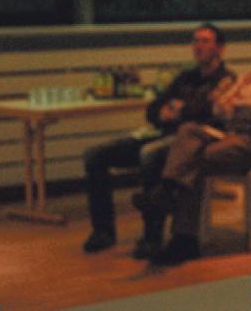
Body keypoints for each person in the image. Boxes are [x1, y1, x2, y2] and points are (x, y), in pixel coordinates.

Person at [135, 25, 251, 265]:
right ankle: (169, 196)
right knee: (189, 131)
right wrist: (235, 107)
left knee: (193, 159)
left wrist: (235, 107)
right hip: (235, 137)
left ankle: (181, 232)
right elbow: (219, 105)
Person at [81, 24, 233, 258]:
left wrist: (180, 111)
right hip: (159, 133)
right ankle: (103, 231)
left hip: (187, 142)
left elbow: (209, 114)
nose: (198, 46)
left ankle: (151, 237)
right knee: (95, 155)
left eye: (205, 41)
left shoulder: (226, 81)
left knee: (150, 155)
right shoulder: (184, 77)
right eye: (195, 41)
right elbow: (154, 107)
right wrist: (162, 113)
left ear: (220, 48)